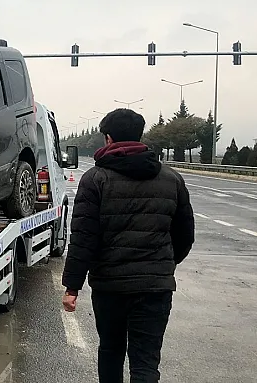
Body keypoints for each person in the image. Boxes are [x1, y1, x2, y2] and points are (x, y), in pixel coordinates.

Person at [61, 108, 195, 382]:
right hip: (155, 289)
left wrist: (72, 286)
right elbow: (185, 234)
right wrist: (164, 265)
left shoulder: (95, 180)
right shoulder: (171, 179)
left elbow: (84, 239)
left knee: (110, 351)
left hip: (110, 287)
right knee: (145, 363)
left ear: (108, 139)